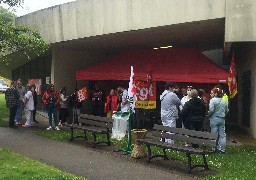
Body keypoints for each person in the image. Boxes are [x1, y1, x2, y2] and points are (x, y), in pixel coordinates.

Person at [208, 88, 229, 153]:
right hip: (222, 119)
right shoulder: (224, 100)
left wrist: (209, 115)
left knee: (214, 134)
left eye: (212, 93)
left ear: (215, 93)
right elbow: (226, 110)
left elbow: (211, 110)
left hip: (214, 118)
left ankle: (214, 148)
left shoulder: (212, 100)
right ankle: (222, 149)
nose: (211, 94)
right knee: (222, 135)